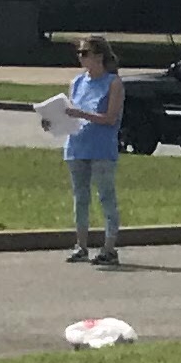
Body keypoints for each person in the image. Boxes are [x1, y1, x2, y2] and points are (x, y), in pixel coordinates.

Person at [64, 34, 124, 267]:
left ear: (99, 56)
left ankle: (109, 247)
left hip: (101, 148)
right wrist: (54, 119)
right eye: (79, 53)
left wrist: (81, 114)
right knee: (80, 197)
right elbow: (68, 112)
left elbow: (110, 118)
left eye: (85, 53)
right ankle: (81, 245)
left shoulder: (113, 83)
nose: (81, 58)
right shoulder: (77, 82)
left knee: (106, 196)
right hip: (77, 146)